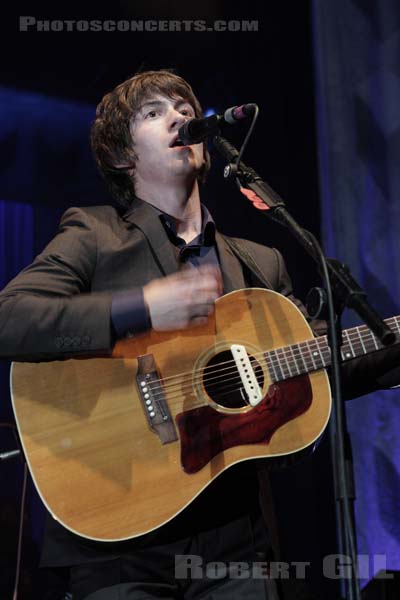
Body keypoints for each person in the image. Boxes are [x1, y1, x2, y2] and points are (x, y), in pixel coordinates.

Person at [1, 69, 400, 600]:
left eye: (184, 107)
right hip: (119, 539)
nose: (180, 115)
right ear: (124, 156)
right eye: (154, 112)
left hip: (235, 542)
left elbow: (326, 358)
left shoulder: (259, 263)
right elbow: (10, 317)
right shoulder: (95, 234)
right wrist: (140, 307)